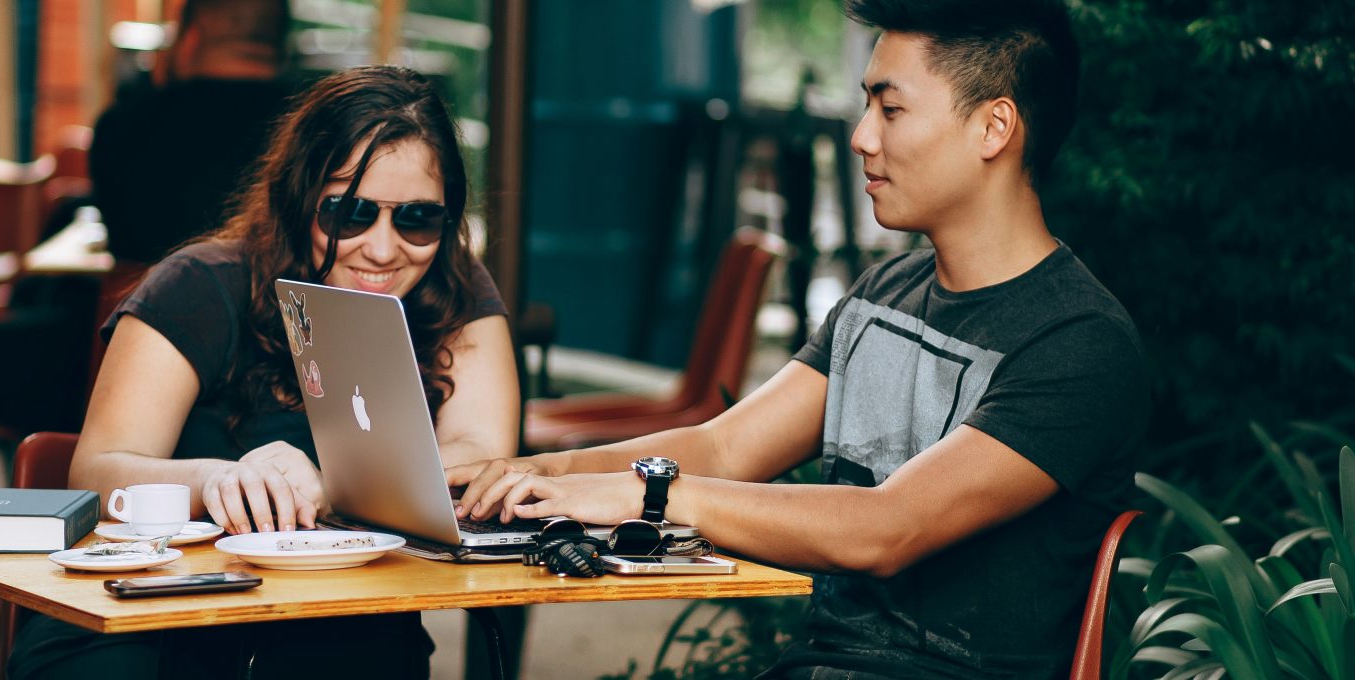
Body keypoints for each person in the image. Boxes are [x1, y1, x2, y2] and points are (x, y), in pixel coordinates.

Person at [450, 1, 1149, 677]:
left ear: (995, 127)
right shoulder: (882, 295)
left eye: (891, 107)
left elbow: (886, 528)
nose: (861, 136)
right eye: (866, 104)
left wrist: (647, 496)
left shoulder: (1079, 342)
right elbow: (726, 447)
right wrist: (541, 474)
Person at [6, 65, 519, 680]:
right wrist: (221, 480)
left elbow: (483, 455)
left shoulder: (453, 287)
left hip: (344, 626)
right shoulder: (199, 284)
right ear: (300, 196)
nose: (384, 249)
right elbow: (95, 471)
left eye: (417, 219)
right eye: (349, 213)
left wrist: (332, 487)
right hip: (155, 619)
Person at [87, 0, 297, 265]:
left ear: (190, 38)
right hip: (274, 303)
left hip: (145, 301)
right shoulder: (312, 126)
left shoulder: (122, 125)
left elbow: (123, 244)